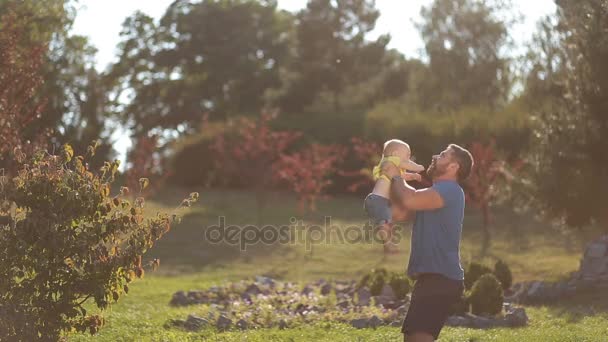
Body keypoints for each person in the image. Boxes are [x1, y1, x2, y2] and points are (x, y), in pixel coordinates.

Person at [382, 144, 474, 342]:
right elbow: (400, 211)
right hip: (430, 279)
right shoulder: (434, 194)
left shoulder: (451, 190)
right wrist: (390, 181)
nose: (434, 155)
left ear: (453, 167)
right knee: (412, 338)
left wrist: (396, 175)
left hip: (440, 278)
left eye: (442, 155)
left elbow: (410, 199)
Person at [364, 139, 425, 254]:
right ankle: (388, 245)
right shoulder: (390, 161)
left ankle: (388, 244)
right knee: (384, 223)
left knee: (388, 223)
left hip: (380, 200)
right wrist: (419, 167)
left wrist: (412, 177)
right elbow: (407, 164)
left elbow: (401, 176)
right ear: (395, 154)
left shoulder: (393, 167)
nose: (408, 157)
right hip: (378, 200)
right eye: (407, 154)